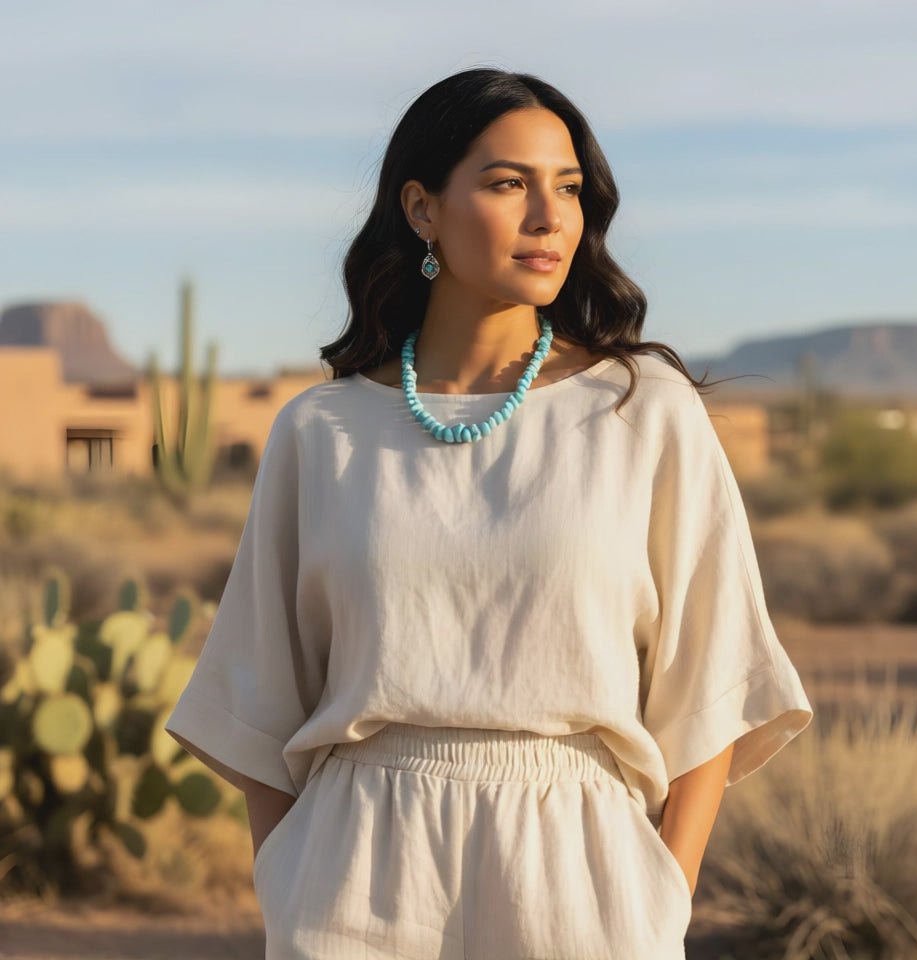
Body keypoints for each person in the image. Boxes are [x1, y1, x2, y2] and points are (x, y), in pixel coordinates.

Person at [165, 67, 813, 959]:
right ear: (422, 209)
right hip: (354, 868)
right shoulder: (322, 432)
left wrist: (666, 888)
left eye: (570, 188)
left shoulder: (643, 412)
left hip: (581, 874)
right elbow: (256, 691)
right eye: (510, 184)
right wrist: (291, 876)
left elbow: (714, 671)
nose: (550, 216)